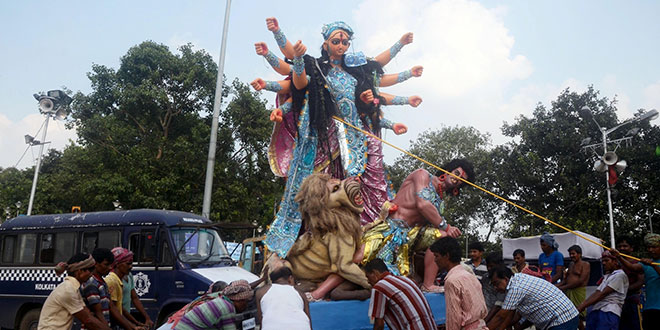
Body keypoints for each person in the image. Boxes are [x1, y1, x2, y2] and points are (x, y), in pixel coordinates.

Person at [262, 19, 422, 258]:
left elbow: (377, 78)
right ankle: (314, 235)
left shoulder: (356, 72)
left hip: (354, 138)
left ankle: (357, 234)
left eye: (345, 42)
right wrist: (277, 36)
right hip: (323, 136)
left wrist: (406, 83)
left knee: (356, 187)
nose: (341, 46)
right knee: (319, 187)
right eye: (336, 41)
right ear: (326, 44)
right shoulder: (315, 68)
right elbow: (293, 79)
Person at [360, 159, 475, 293]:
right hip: (390, 229)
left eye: (461, 180)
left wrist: (445, 232)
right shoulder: (422, 175)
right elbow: (423, 205)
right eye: (456, 173)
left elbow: (430, 223)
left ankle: (428, 284)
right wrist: (447, 227)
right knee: (360, 257)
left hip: (412, 237)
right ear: (448, 170)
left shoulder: (441, 202)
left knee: (443, 239)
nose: (457, 179)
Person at [487, 265, 579, 330]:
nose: (496, 288)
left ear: (505, 279)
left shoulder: (515, 288)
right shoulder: (518, 278)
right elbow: (510, 313)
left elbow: (501, 316)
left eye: (496, 283)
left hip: (561, 319)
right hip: (562, 317)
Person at [38, 253, 111, 330]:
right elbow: (87, 320)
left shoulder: (73, 288)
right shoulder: (68, 290)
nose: (91, 275)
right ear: (79, 271)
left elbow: (87, 313)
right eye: (90, 271)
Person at [430, 238, 487, 330]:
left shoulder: (452, 281)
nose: (435, 260)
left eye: (437, 256)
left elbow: (454, 318)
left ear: (447, 256)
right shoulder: (470, 276)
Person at [364, 258, 436, 330]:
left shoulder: (379, 287)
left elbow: (379, 325)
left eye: (368, 277)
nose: (368, 281)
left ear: (374, 273)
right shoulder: (406, 279)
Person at [81, 248, 140, 330]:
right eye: (106, 264)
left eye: (110, 265)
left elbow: (113, 308)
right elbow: (98, 313)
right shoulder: (92, 284)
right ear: (96, 264)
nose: (109, 268)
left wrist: (132, 327)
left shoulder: (102, 283)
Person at [612, 233, 660, 329]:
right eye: (649, 247)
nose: (651, 250)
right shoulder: (646, 264)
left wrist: (654, 265)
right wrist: (619, 257)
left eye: (654, 247)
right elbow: (632, 267)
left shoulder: (651, 264)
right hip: (649, 308)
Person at [578, 251, 628, 330]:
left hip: (609, 310)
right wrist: (583, 305)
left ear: (615, 262)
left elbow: (602, 294)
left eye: (607, 260)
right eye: (603, 261)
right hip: (597, 309)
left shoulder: (620, 275)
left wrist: (582, 306)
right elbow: (597, 292)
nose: (604, 263)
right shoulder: (607, 276)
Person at [174, 280, 254, 330]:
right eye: (246, 302)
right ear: (238, 300)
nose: (246, 305)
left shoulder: (221, 300)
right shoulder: (227, 308)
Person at [556, 245, 590, 329]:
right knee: (569, 315)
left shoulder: (585, 264)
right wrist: (554, 286)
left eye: (573, 254)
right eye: (570, 254)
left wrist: (563, 287)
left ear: (580, 254)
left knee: (578, 316)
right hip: (569, 292)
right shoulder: (571, 264)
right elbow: (565, 280)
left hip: (578, 292)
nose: (571, 256)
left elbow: (580, 281)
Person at [615, 236, 643, 330]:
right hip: (617, 302)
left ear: (631, 248)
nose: (622, 248)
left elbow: (640, 282)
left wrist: (623, 290)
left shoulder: (638, 263)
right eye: (619, 246)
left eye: (625, 246)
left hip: (632, 301)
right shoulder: (614, 263)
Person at [105, 247, 134, 319]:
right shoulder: (112, 281)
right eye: (128, 264)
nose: (131, 267)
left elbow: (120, 308)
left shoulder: (122, 278)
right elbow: (114, 310)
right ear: (117, 264)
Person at [481, 252, 507, 323]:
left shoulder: (503, 280)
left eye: (492, 266)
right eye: (487, 266)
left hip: (497, 316)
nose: (489, 269)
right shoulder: (485, 278)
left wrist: (484, 322)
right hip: (484, 313)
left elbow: (498, 305)